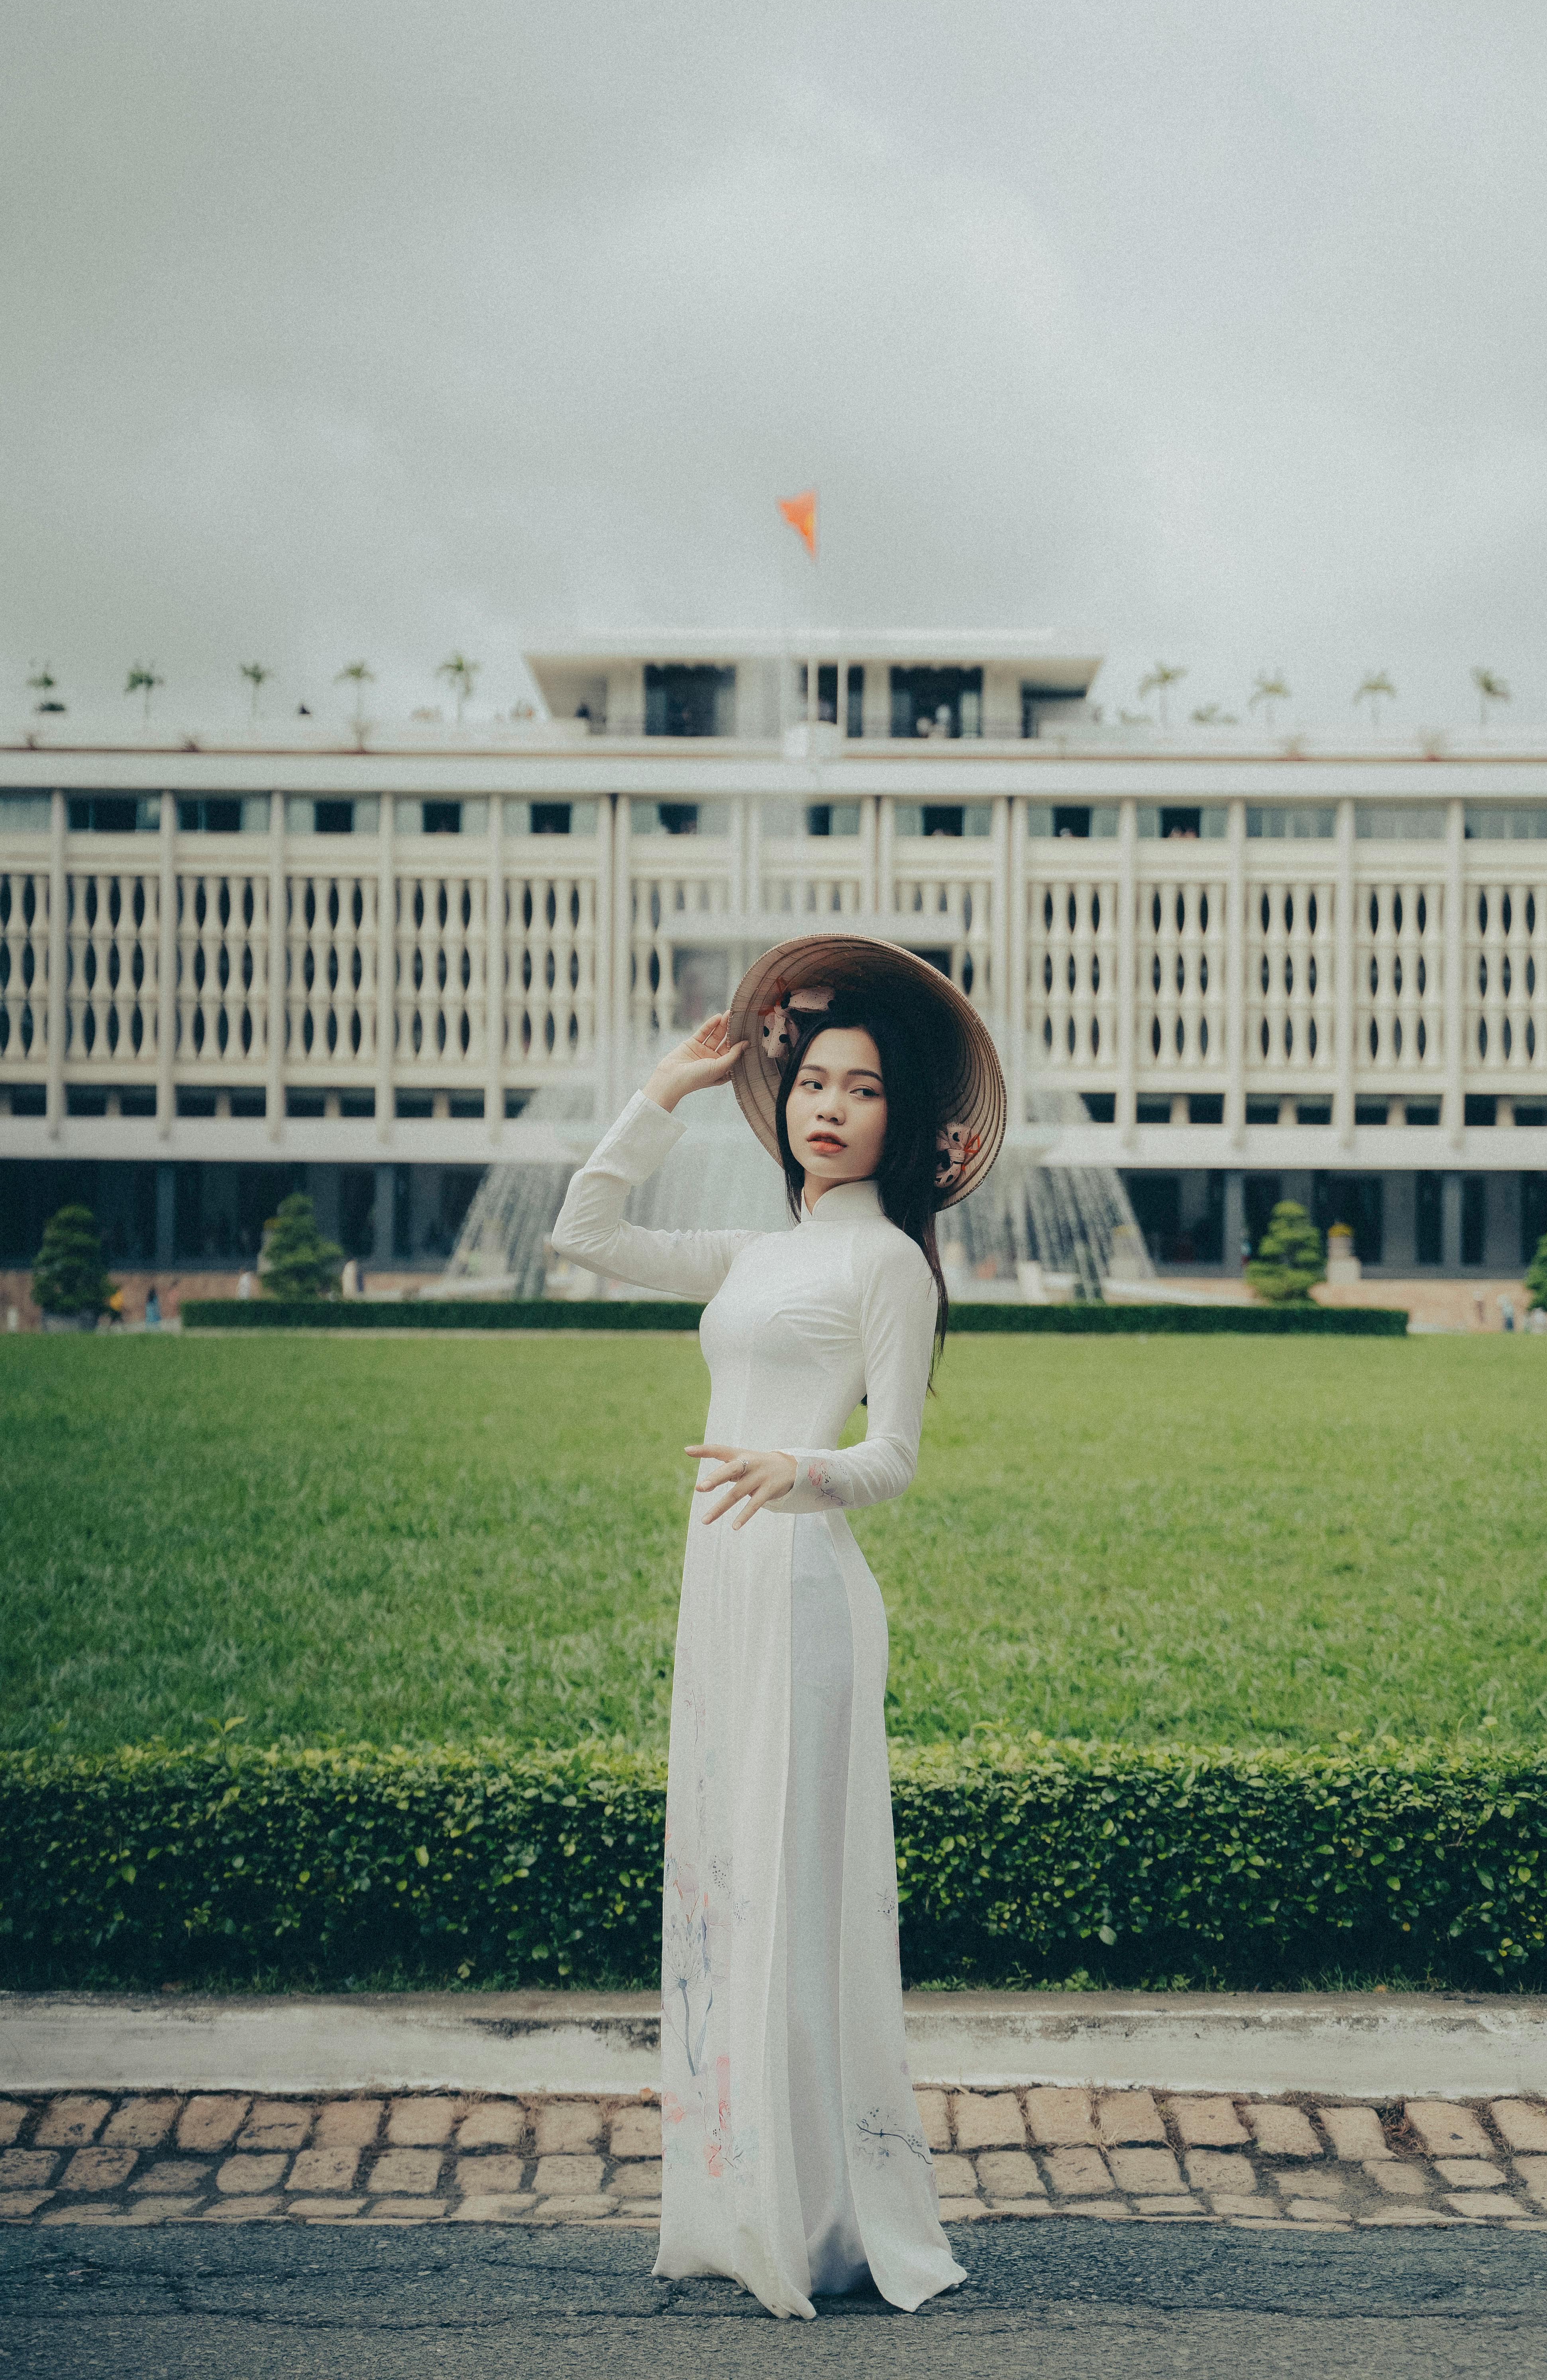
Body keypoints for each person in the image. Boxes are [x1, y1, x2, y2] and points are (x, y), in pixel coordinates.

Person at [550, 936, 1004, 2321]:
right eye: (813, 1080)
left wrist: (795, 1473)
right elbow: (584, 1232)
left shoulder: (887, 1268)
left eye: (864, 1090)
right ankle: (740, 2200)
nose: (829, 1106)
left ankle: (817, 2215)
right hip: (726, 1591)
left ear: (902, 1120)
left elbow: (897, 1459)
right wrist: (666, 1090)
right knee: (731, 1882)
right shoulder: (756, 1251)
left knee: (797, 1897)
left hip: (804, 1593)